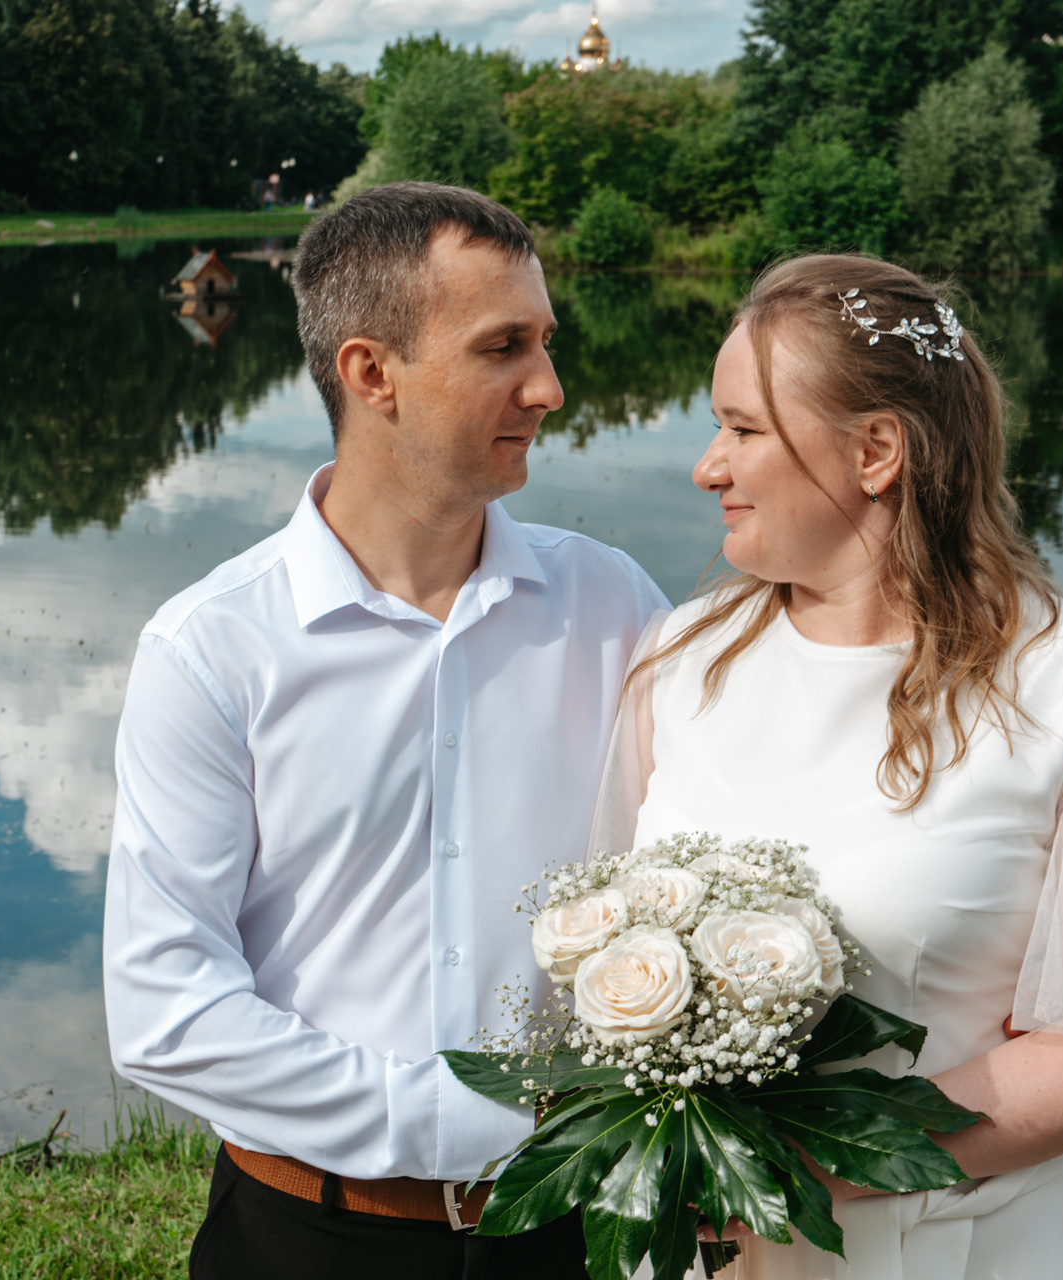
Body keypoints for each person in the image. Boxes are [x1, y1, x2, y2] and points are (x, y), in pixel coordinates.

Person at [593, 254, 1063, 1278]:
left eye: (744, 430)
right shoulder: (681, 660)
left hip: (963, 1244)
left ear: (876, 451)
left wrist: (800, 1163)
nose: (708, 466)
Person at [104, 182, 667, 1278]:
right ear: (371, 373)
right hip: (305, 1238)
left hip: (577, 1230)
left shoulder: (615, 607)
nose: (549, 388)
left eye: (545, 342)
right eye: (503, 348)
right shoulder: (211, 648)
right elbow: (167, 1009)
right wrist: (460, 1116)